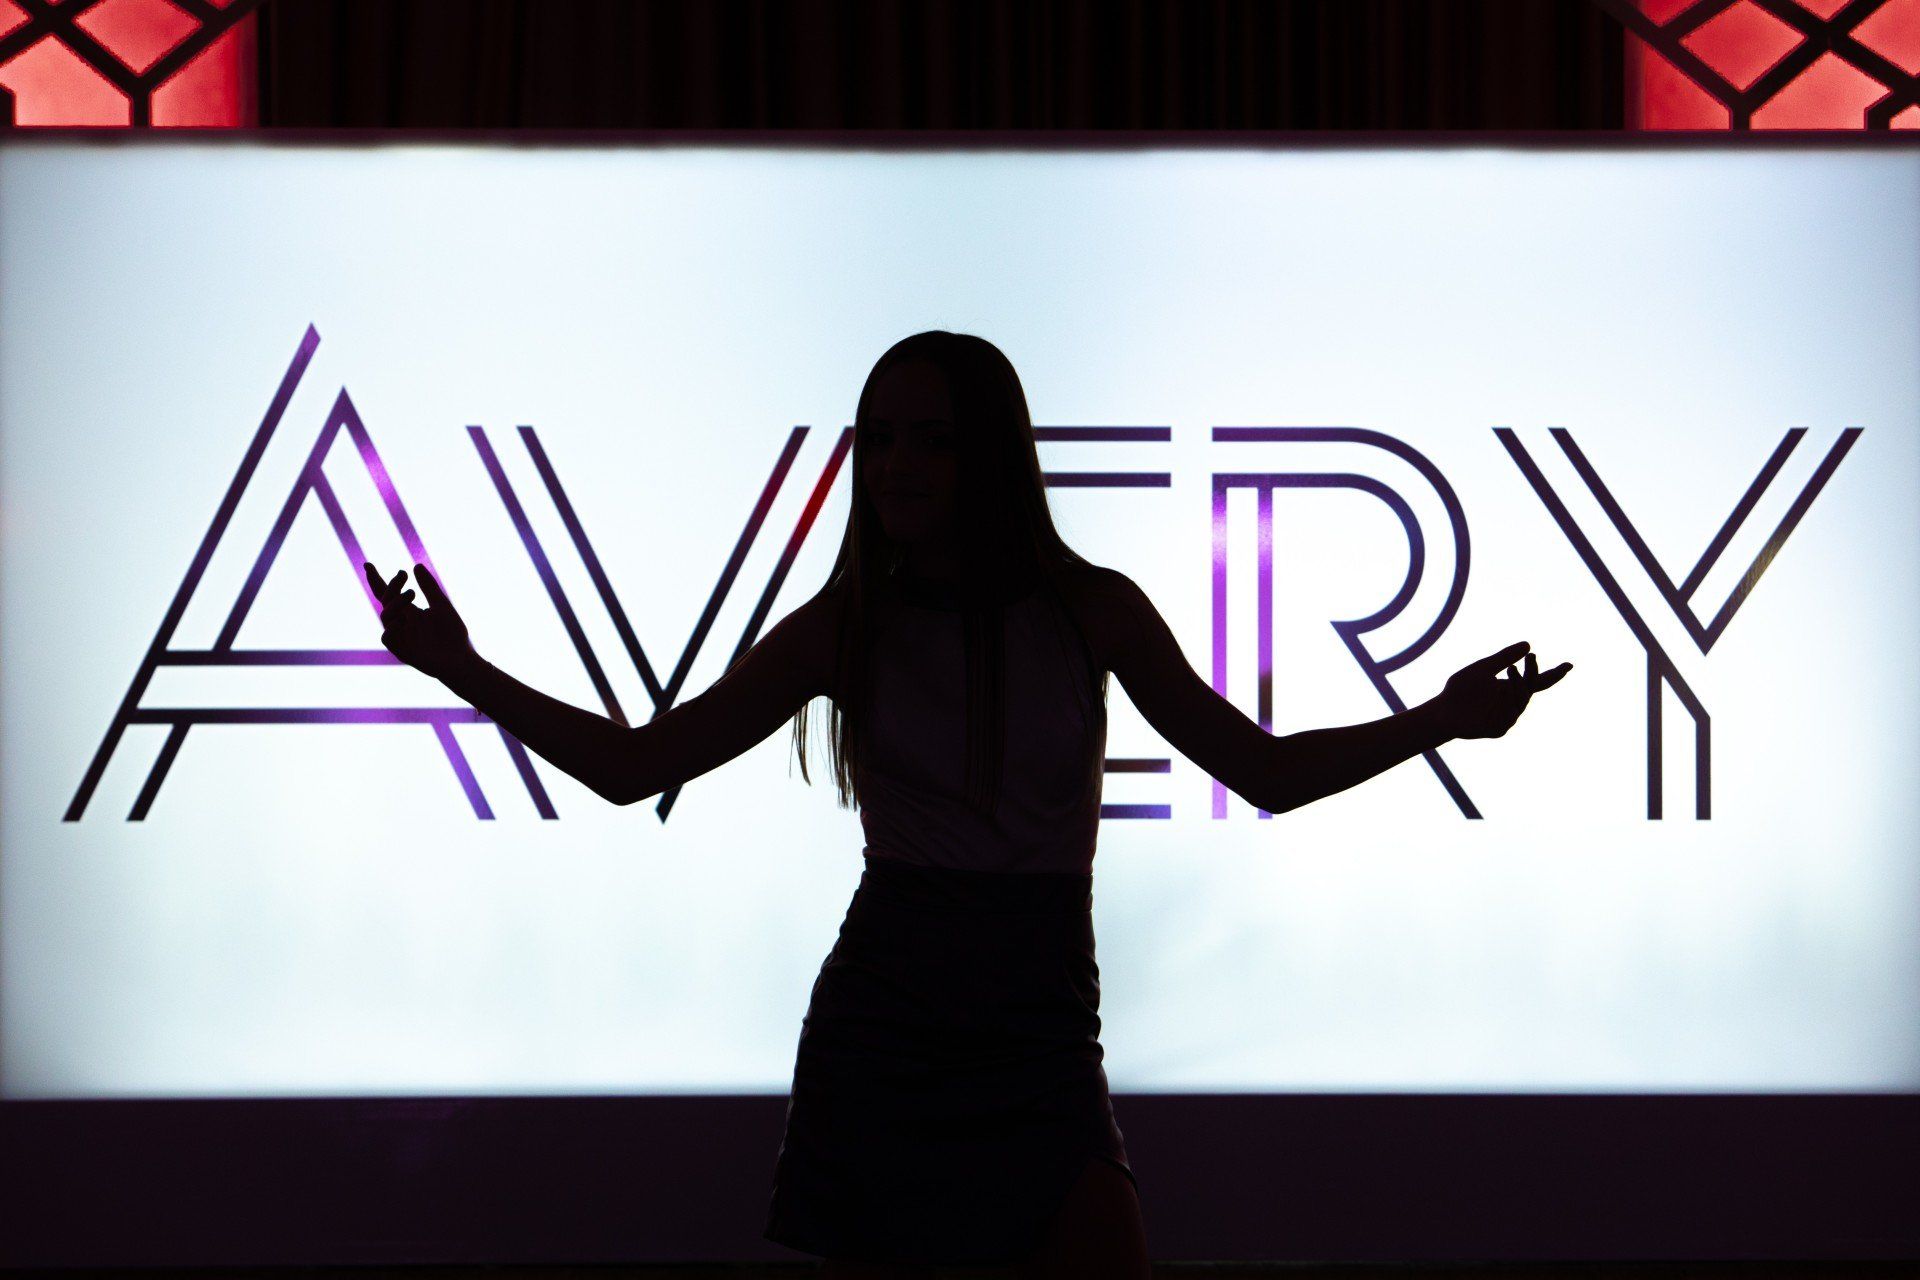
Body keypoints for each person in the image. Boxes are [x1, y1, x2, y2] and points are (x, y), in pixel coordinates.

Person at [364, 331, 1570, 1278]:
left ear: (990, 452)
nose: (897, 465)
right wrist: (453, 664)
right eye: (880, 438)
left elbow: (1261, 770)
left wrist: (1441, 718)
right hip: (889, 1016)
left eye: (930, 439)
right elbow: (636, 765)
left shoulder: (1092, 607)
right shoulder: (846, 624)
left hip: (1042, 1024)